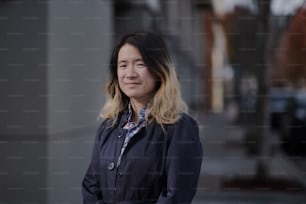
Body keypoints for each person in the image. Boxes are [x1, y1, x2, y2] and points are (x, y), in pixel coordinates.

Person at [82, 31, 203, 204]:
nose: (130, 74)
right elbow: (91, 187)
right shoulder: (108, 127)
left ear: (158, 69)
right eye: (123, 65)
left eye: (140, 64)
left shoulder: (180, 128)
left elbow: (175, 196)